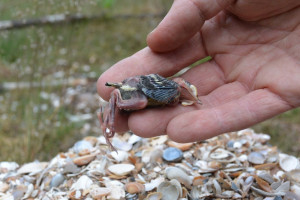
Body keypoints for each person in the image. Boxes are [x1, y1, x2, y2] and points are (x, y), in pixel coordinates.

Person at [97, 0, 300, 143]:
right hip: (144, 87)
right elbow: (176, 85)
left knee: (140, 100)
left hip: (153, 87)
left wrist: (195, 99)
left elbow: (181, 85)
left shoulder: (172, 89)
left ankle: (114, 110)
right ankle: (113, 110)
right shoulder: (156, 90)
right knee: (133, 98)